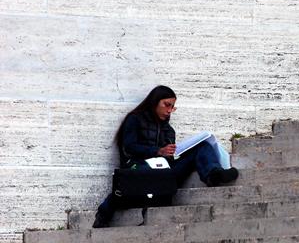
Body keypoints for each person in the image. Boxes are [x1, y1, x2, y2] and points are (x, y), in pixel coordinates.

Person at [92, 85, 239, 228]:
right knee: (137, 178)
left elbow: (168, 158)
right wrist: (157, 151)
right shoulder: (135, 119)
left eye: (172, 107)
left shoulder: (168, 130)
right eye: (167, 105)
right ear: (155, 102)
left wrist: (172, 153)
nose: (169, 111)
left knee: (202, 145)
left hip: (163, 172)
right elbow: (128, 147)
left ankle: (213, 174)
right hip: (138, 167)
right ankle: (103, 214)